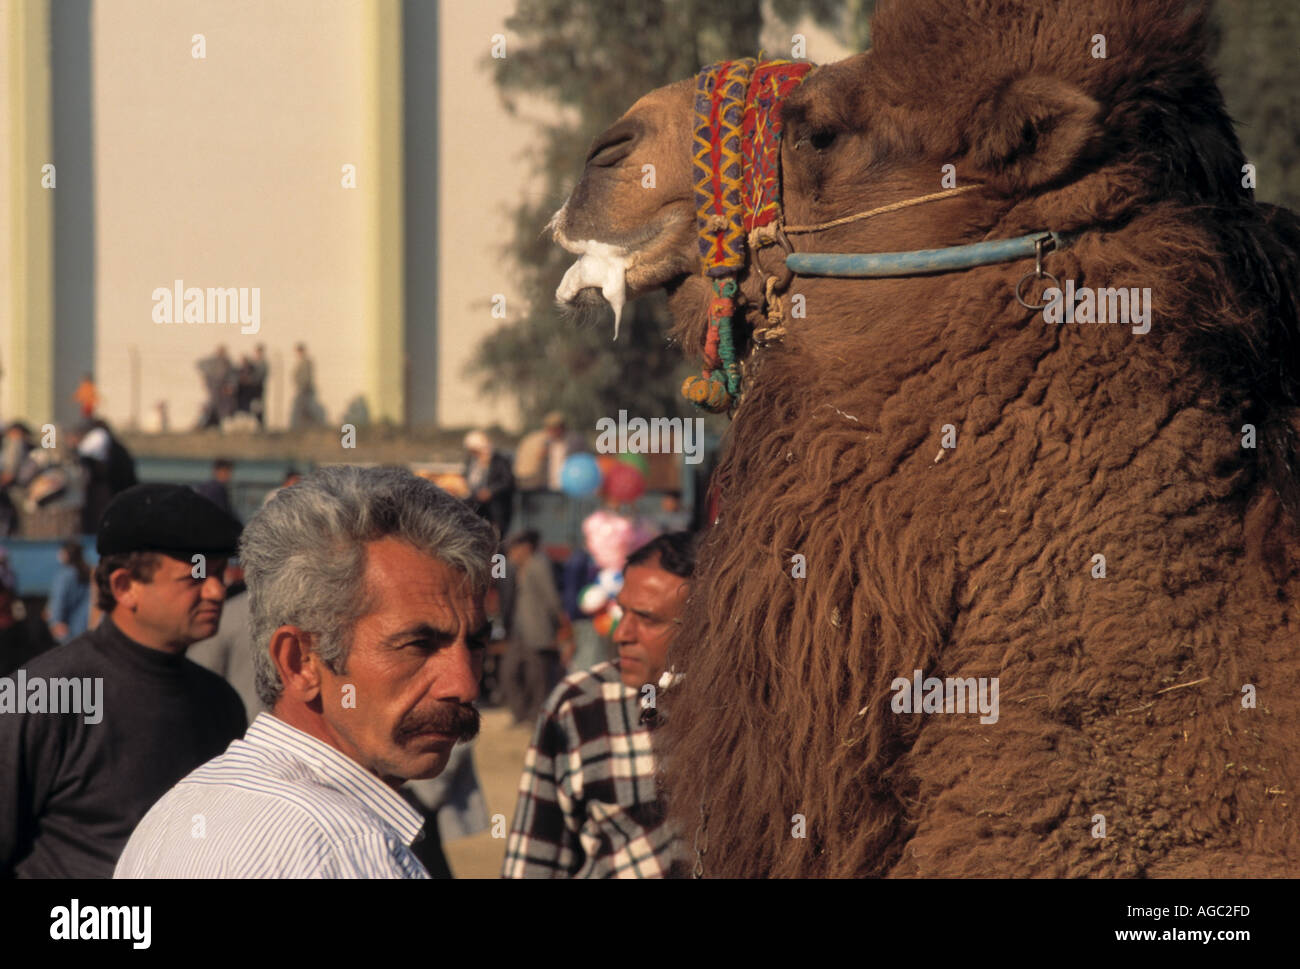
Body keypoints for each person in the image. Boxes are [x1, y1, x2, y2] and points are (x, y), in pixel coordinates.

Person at [115, 466, 496, 878]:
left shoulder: (174, 814)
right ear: (300, 662)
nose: (464, 684)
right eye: (418, 645)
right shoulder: (350, 852)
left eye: (474, 644)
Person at [0, 484, 246, 877]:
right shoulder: (41, 695)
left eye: (219, 574)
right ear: (124, 586)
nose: (217, 591)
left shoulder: (220, 705)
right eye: (196, 577)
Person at [502, 531, 694, 877]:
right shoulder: (580, 708)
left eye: (648, 619)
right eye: (623, 612)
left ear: (706, 627)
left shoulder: (760, 720)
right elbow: (532, 863)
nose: (622, 633)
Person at [499, 530, 571, 726]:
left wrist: (560, 625)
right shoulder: (514, 568)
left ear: (526, 548)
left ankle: (535, 716)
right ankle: (520, 713)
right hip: (517, 631)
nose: (511, 554)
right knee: (509, 672)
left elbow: (551, 597)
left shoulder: (539, 565)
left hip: (538, 630)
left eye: (514, 549)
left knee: (537, 677)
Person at [513, 412, 586, 491]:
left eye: (556, 428)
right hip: (545, 488)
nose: (553, 431)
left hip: (568, 487)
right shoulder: (541, 442)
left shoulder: (575, 441)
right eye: (551, 428)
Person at [462, 429, 515, 538]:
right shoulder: (471, 461)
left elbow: (508, 481)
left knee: (498, 539)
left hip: (496, 509)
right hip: (476, 506)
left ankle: (498, 556)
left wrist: (490, 492)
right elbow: (466, 477)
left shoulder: (500, 461)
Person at [45, 539, 91, 642]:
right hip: (86, 625)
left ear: (66, 554)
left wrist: (56, 621)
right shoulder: (87, 571)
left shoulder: (64, 575)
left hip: (70, 629)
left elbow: (59, 599)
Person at [290, 343, 322, 430]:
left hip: (305, 390)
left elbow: (307, 377)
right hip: (301, 389)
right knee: (304, 409)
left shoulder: (306, 362)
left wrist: (303, 387)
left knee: (304, 408)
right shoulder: (300, 362)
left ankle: (317, 425)